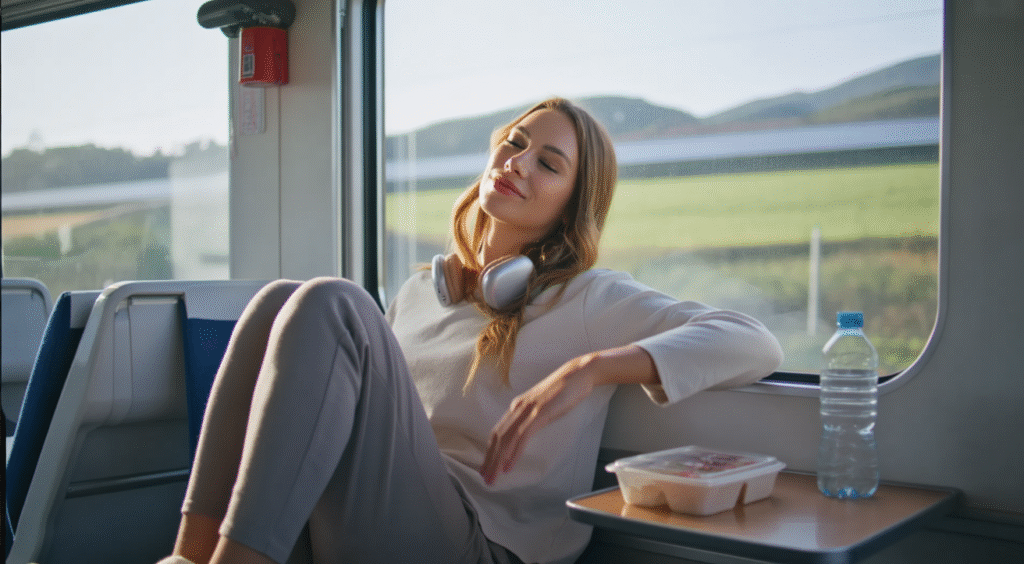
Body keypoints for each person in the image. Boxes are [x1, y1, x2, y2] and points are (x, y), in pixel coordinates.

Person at [158, 98, 783, 564]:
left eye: (548, 163)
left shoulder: (589, 298)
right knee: (279, 302)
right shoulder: (420, 295)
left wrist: (592, 368)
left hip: (482, 545)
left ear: (571, 204)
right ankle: (188, 556)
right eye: (514, 144)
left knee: (331, 301)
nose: (518, 163)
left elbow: (752, 338)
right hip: (377, 523)